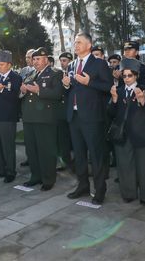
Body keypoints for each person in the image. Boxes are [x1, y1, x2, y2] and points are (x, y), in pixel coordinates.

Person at [62, 32, 114, 205]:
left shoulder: (99, 64)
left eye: (79, 42)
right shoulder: (72, 65)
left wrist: (88, 82)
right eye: (74, 42)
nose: (75, 45)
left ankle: (100, 190)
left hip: (92, 117)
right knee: (79, 154)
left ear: (89, 45)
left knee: (96, 155)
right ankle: (83, 185)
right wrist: (67, 85)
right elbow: (71, 91)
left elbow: (108, 87)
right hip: (74, 116)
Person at [108, 58, 145, 204]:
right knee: (125, 166)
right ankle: (128, 194)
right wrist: (113, 100)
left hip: (144, 136)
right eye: (124, 76)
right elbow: (111, 113)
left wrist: (143, 102)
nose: (126, 79)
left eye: (129, 76)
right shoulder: (118, 91)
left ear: (136, 75)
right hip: (123, 136)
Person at [20, 47, 63, 191]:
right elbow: (24, 93)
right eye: (34, 59)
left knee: (46, 150)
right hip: (29, 117)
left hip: (45, 118)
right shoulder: (31, 74)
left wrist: (39, 90)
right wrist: (23, 91)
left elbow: (57, 94)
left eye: (38, 59)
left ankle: (48, 179)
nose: (35, 61)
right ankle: (35, 176)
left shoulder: (56, 73)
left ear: (46, 60)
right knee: (32, 150)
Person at [0, 50, 22, 183]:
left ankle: (10, 171)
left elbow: (14, 98)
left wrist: (1, 89)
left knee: (7, 145)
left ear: (9, 64)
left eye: (0, 64)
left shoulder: (15, 77)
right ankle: (0, 169)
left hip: (7, 117)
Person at [56, 52, 73, 170]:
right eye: (61, 60)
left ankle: (76, 163)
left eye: (65, 60)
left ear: (70, 61)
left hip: (72, 111)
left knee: (74, 139)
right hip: (61, 112)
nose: (62, 63)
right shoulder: (58, 75)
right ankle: (65, 161)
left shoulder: (75, 73)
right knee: (63, 139)